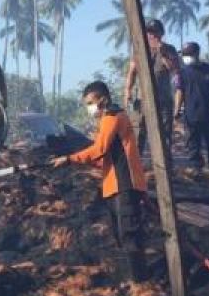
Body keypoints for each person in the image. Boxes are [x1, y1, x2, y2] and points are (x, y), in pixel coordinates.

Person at [51, 82, 149, 281]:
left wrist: (69, 159)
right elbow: (104, 156)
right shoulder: (108, 120)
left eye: (90, 103)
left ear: (103, 100)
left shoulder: (112, 117)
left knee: (129, 234)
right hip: (114, 184)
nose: (89, 108)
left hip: (124, 184)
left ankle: (140, 280)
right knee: (121, 234)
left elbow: (99, 149)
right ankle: (133, 278)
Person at [123, 19, 180, 166]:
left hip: (163, 100)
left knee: (164, 134)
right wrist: (127, 91)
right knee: (138, 132)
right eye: (149, 32)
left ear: (161, 34)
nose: (152, 36)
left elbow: (173, 69)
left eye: (155, 32)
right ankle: (134, 165)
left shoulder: (169, 49)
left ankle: (165, 165)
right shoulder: (139, 49)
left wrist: (163, 52)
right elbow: (132, 72)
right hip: (142, 100)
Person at [174, 42, 209, 173]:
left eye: (188, 54)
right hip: (191, 114)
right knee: (193, 143)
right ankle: (196, 167)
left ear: (196, 54)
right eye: (184, 55)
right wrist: (176, 110)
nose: (186, 57)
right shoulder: (182, 73)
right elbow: (180, 92)